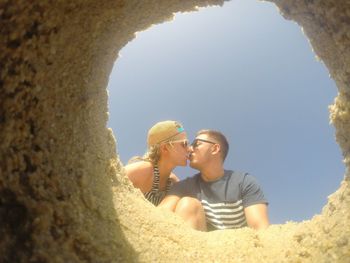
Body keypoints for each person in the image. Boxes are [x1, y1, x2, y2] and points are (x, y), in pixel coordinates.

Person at [159, 129, 269, 231]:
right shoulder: (184, 186)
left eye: (196, 144)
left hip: (241, 249)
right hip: (199, 249)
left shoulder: (244, 182)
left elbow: (260, 228)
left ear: (215, 149)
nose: (189, 149)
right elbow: (160, 214)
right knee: (188, 204)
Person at [125, 120, 189, 206]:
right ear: (165, 148)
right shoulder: (143, 170)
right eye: (184, 144)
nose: (189, 149)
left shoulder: (173, 182)